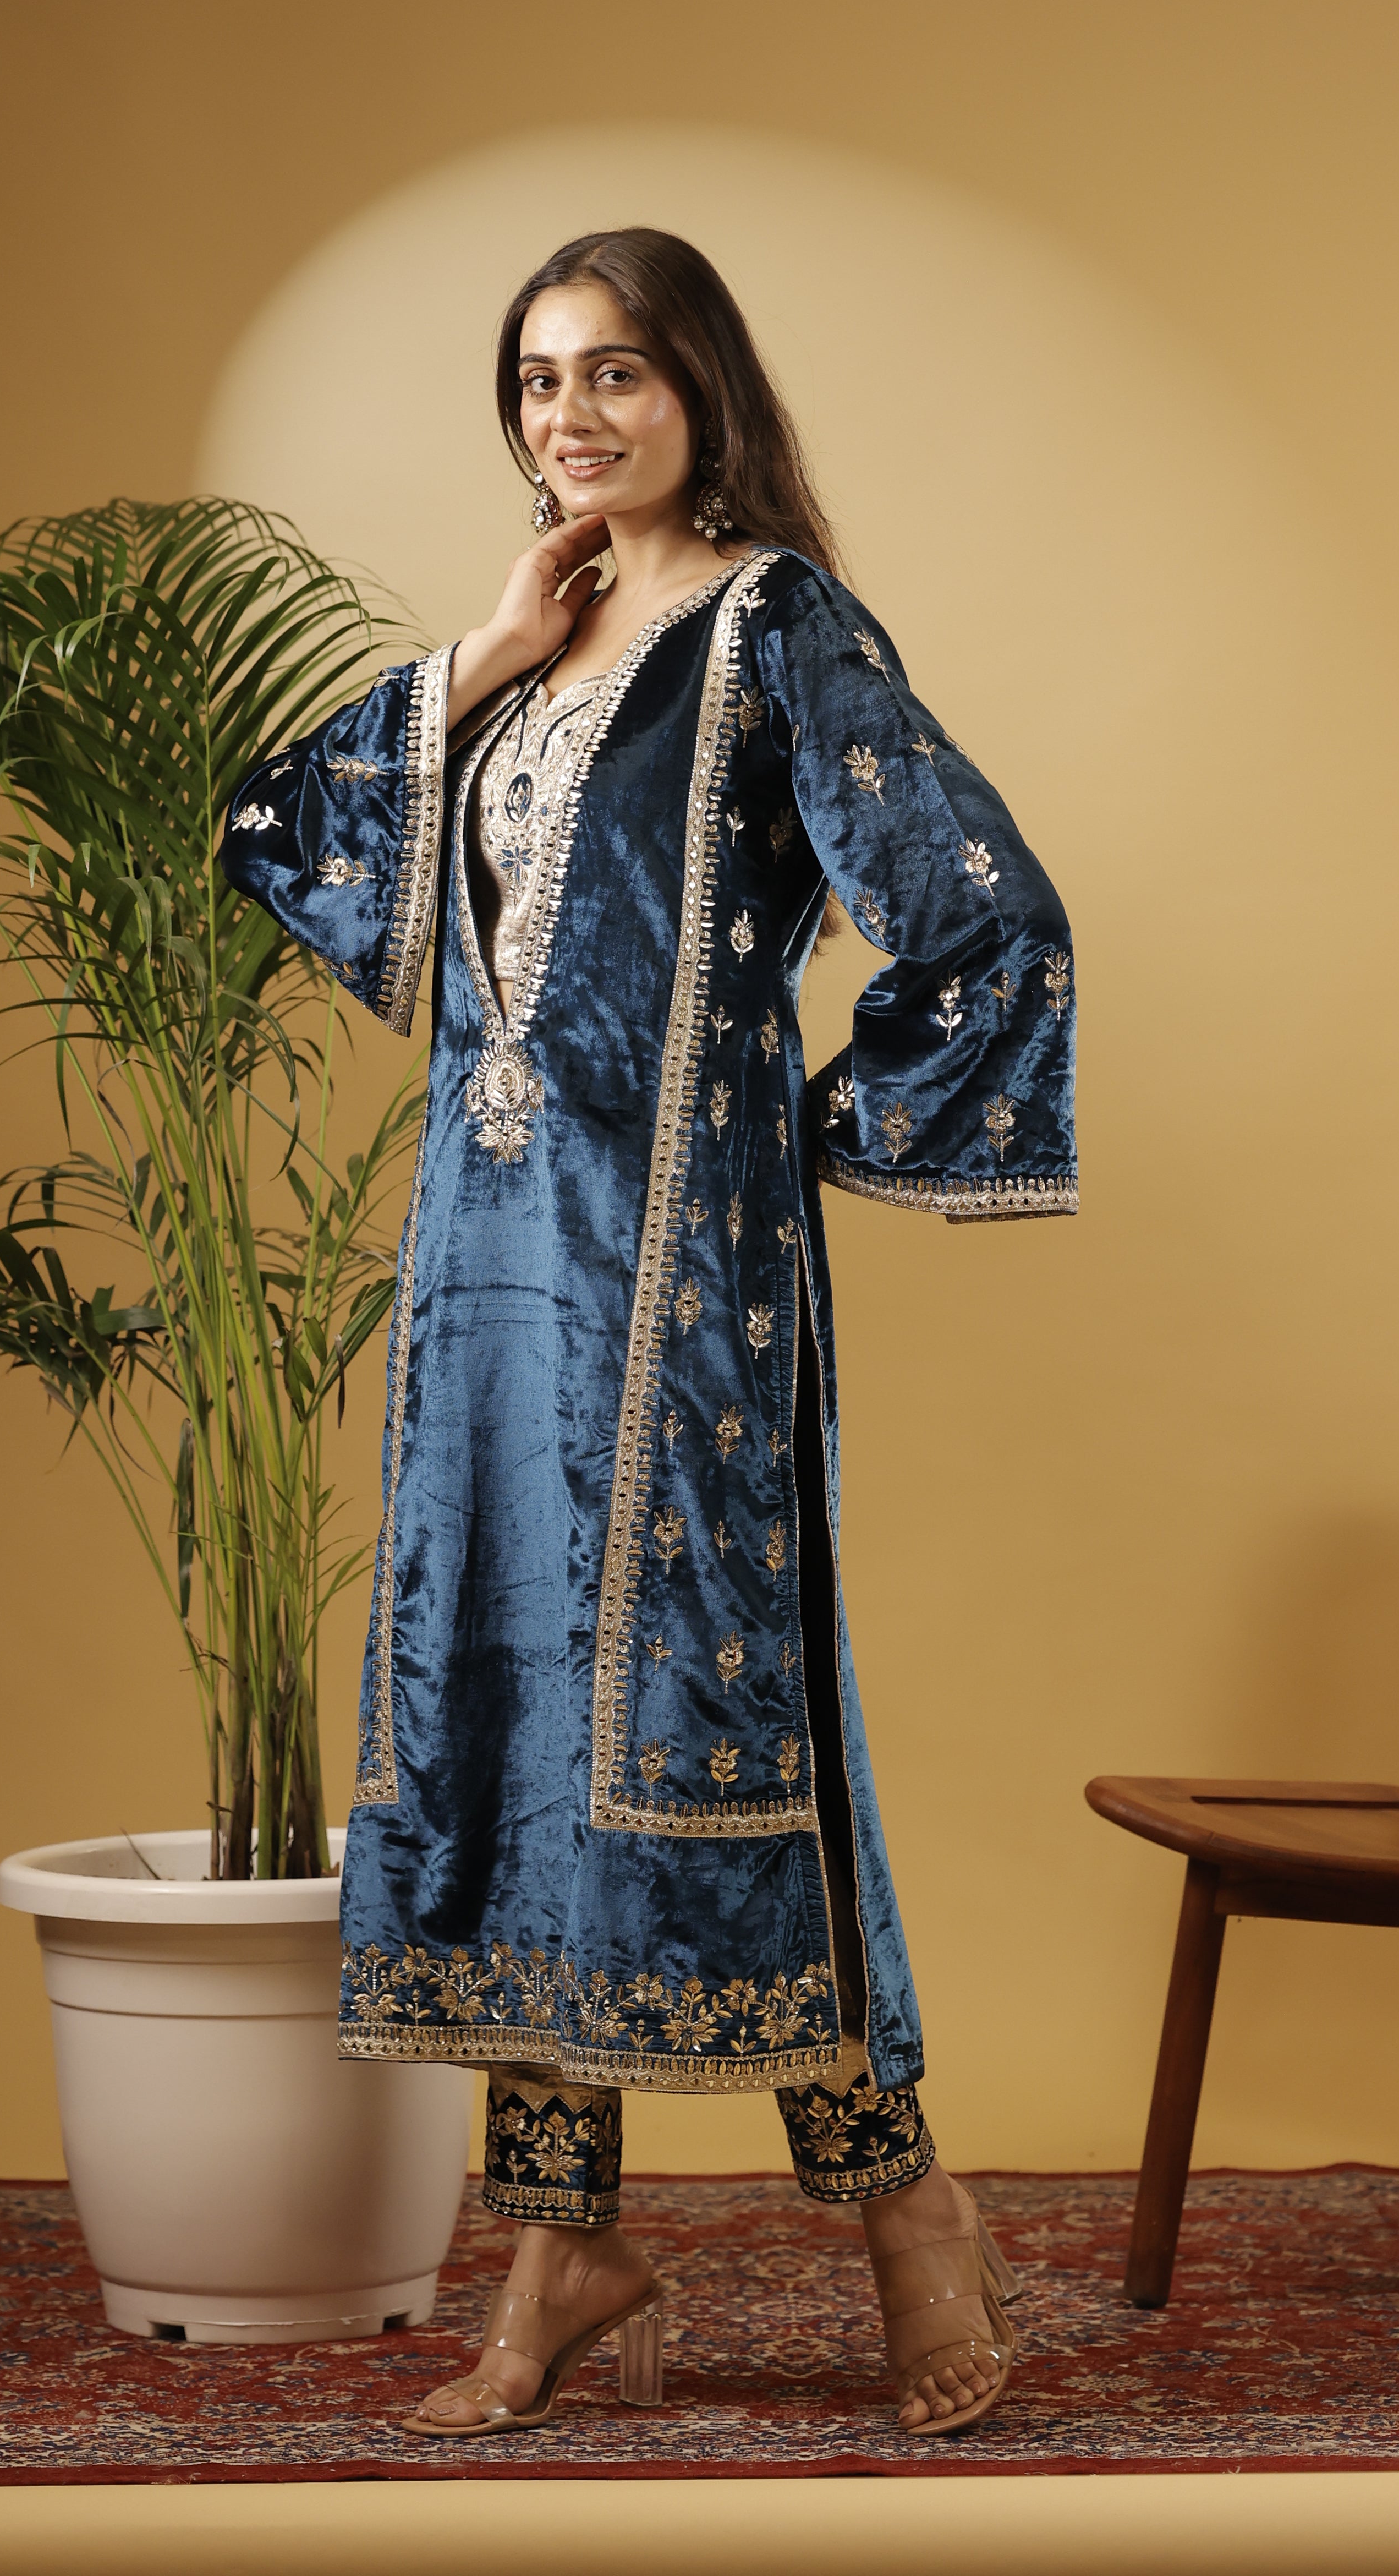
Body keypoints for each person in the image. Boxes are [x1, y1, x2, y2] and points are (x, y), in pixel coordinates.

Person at [222, 227, 1076, 2438]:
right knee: (510, 1731)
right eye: (537, 381)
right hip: (486, 1279)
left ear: (703, 388)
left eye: (615, 373)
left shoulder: (782, 626)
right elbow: (280, 835)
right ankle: (563, 2246)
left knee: (724, 1742)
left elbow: (985, 915)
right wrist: (490, 652)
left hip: (678, 1290)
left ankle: (906, 2206)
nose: (573, 417)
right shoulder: (536, 646)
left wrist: (786, 1133)